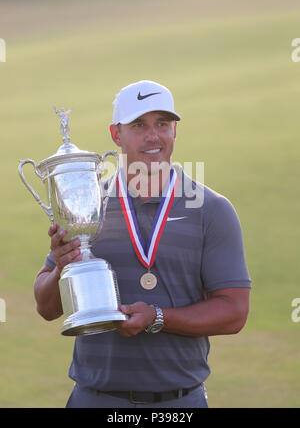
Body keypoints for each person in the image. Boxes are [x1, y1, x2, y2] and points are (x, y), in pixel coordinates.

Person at [34, 80, 251, 408]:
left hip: (178, 404)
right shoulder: (85, 206)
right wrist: (61, 267)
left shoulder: (211, 210)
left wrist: (159, 317)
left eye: (162, 124)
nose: (153, 136)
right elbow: (46, 307)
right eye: (139, 125)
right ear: (116, 135)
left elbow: (234, 313)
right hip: (96, 399)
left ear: (175, 131)